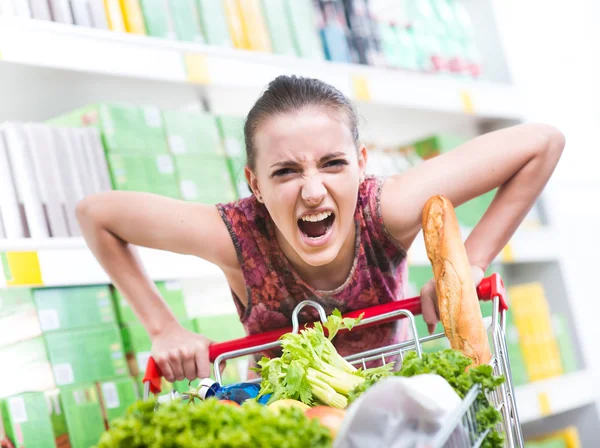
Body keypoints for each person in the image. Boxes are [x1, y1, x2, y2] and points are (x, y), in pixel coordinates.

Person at [76, 75, 565, 383]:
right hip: (286, 427)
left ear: (361, 164)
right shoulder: (237, 236)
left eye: (333, 164)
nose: (313, 192)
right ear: (255, 185)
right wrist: (162, 329)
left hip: (389, 415)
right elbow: (95, 214)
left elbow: (543, 143)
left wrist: (467, 266)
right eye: (285, 172)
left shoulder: (385, 210)